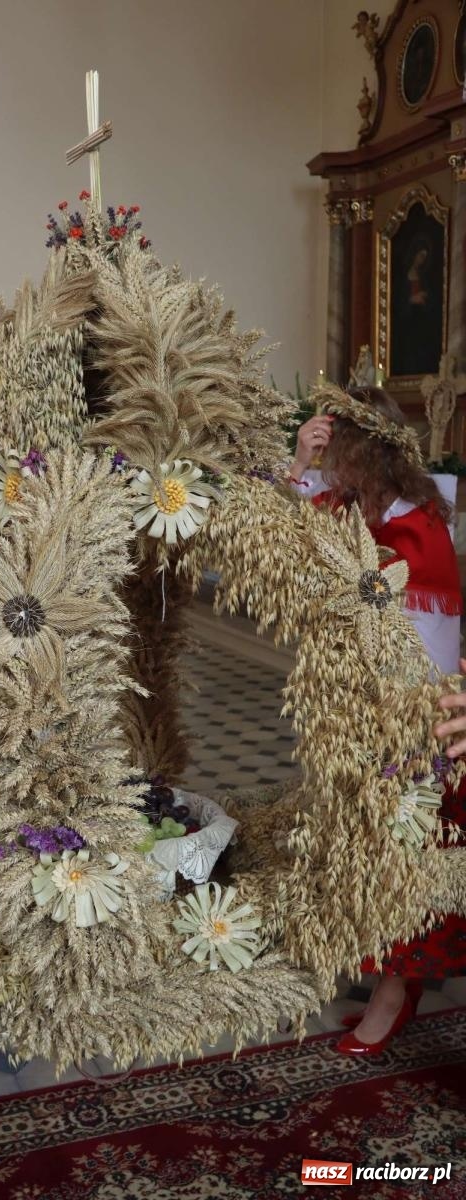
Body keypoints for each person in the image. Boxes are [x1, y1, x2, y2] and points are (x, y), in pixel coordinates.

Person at [291, 385, 465, 1056]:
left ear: (364, 455)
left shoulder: (411, 529)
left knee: (401, 850)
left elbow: (421, 650)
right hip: (368, 711)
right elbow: (292, 533)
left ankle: (396, 991)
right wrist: (298, 460)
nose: (328, 467)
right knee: (370, 847)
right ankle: (395, 980)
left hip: (413, 721)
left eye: (336, 453)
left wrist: (394, 731)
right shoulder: (362, 509)